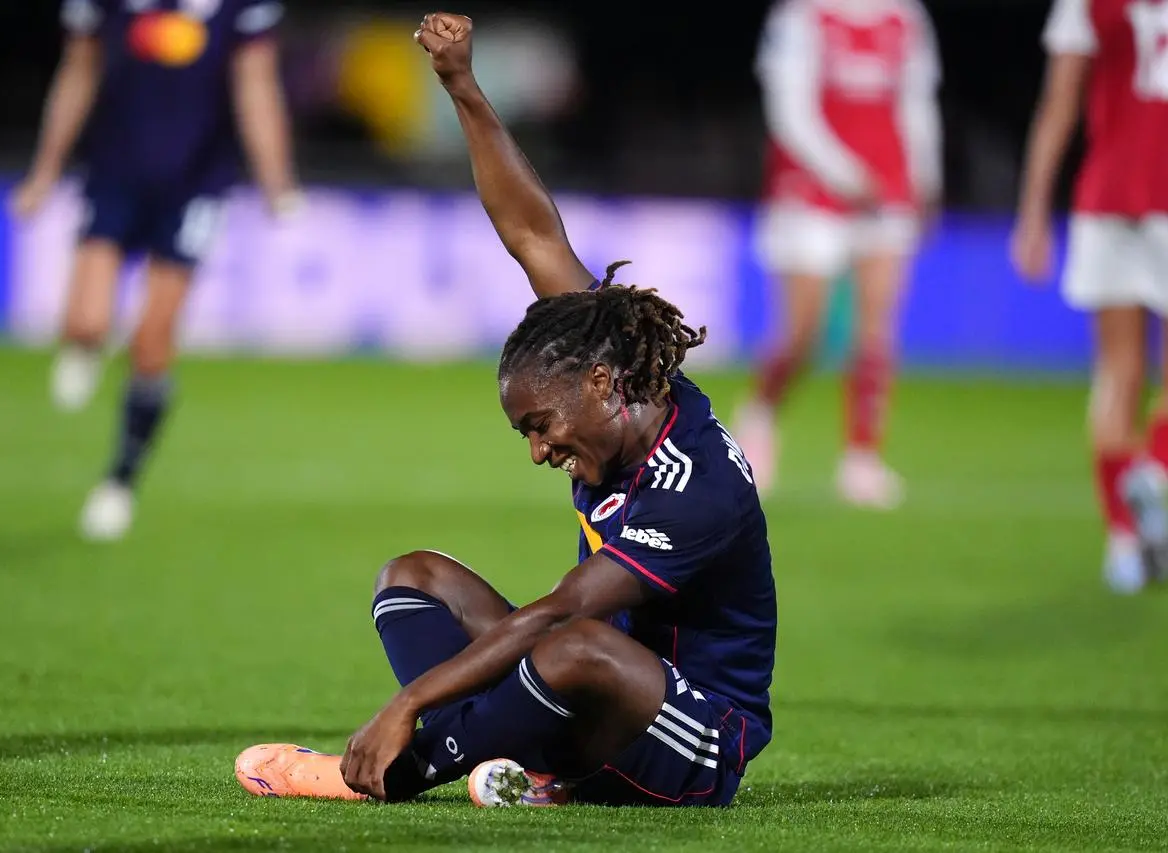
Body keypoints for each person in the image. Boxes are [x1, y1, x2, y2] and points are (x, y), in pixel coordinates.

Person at [232, 12, 777, 808]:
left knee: (577, 644)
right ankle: (519, 767)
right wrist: (461, 87)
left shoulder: (696, 485)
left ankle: (393, 775)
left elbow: (562, 613)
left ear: (597, 388)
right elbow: (529, 229)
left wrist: (406, 704)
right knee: (414, 579)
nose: (537, 451)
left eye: (539, 427)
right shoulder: (606, 355)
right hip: (593, 700)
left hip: (693, 738)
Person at [10, 0, 300, 541]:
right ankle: (87, 346)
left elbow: (255, 88)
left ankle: (119, 482)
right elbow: (77, 72)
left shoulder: (240, 10)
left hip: (196, 184)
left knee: (151, 342)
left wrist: (275, 180)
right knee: (87, 323)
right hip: (114, 176)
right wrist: (44, 172)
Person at [731, 0, 943, 510]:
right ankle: (759, 414)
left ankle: (862, 458)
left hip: (886, 186)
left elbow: (916, 104)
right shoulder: (800, 18)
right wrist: (845, 174)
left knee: (876, 329)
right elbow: (790, 112)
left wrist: (926, 177)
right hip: (811, 189)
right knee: (805, 332)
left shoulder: (905, 18)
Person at [1011, 0, 1168, 593]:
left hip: (1109, 197)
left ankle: (1124, 542)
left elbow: (1059, 105)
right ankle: (1155, 473)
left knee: (1117, 374)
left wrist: (1032, 213)